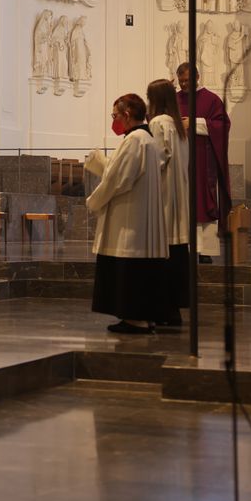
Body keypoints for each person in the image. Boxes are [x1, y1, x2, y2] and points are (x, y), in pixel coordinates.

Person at [87, 94, 171, 334]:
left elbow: (118, 179)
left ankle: (136, 318)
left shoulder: (135, 139)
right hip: (140, 216)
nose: (113, 121)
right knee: (140, 271)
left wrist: (94, 200)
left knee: (129, 269)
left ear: (127, 114)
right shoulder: (147, 139)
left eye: (115, 115)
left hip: (130, 219)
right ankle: (144, 317)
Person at [175, 62, 230, 263]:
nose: (183, 85)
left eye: (187, 80)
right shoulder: (174, 99)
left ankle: (205, 250)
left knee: (203, 202)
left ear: (197, 77)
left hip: (202, 161)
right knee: (182, 204)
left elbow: (222, 125)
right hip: (179, 161)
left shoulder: (211, 99)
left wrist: (194, 123)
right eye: (180, 81)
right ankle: (185, 248)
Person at [148, 79, 190, 326]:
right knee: (176, 250)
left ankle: (163, 309)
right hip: (179, 193)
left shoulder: (157, 123)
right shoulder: (178, 124)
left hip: (163, 193)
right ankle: (173, 308)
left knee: (162, 251)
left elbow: (158, 158)